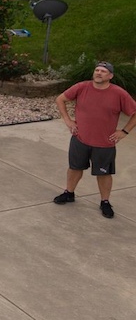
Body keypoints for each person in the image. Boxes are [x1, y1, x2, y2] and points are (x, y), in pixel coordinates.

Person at [53, 61, 136, 218]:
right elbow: (60, 99)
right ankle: (69, 193)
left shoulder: (119, 94)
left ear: (110, 76)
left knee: (104, 174)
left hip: (104, 143)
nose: (99, 73)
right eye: (97, 70)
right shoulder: (82, 87)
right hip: (80, 139)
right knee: (74, 168)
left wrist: (124, 131)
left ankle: (105, 202)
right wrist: (68, 120)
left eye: (103, 71)